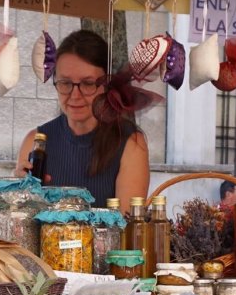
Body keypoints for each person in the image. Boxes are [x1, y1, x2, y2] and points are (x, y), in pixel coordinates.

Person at [14, 30, 150, 208]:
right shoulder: (36, 141)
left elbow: (127, 228)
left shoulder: (130, 143)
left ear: (106, 84)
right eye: (65, 83)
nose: (75, 95)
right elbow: (24, 222)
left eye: (87, 84)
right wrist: (16, 193)